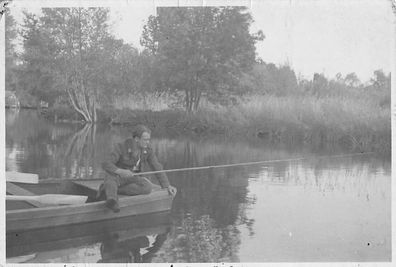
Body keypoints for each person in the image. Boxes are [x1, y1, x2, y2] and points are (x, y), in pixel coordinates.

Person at [101, 124, 176, 212]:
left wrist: (167, 185)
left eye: (149, 139)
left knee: (147, 187)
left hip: (132, 178)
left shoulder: (148, 150)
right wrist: (120, 171)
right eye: (145, 140)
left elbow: (156, 166)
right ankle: (112, 200)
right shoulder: (121, 146)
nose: (148, 142)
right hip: (116, 177)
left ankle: (110, 189)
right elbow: (106, 163)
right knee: (110, 179)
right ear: (136, 139)